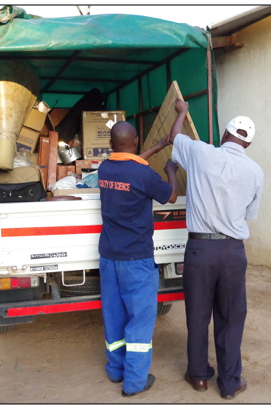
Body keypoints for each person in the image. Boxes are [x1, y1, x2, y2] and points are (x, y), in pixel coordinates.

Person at [168, 98, 264, 400]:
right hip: (233, 252)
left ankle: (198, 375)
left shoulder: (200, 153)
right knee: (231, 316)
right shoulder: (256, 172)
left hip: (200, 250)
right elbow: (249, 214)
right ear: (247, 144)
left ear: (225, 134)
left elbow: (174, 138)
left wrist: (182, 113)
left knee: (197, 314)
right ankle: (229, 382)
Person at [98, 121, 178, 397]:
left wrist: (158, 146)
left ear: (111, 145)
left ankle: (115, 370)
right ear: (135, 142)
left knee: (114, 315)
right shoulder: (143, 175)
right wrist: (170, 172)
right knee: (140, 321)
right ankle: (134, 382)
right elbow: (170, 197)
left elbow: (130, 166)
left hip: (109, 258)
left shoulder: (105, 168)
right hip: (136, 260)